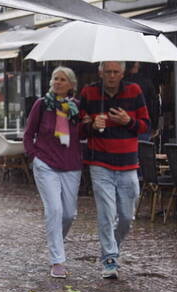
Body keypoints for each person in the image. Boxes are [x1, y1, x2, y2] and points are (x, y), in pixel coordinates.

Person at [80, 60, 150, 280]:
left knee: (127, 216)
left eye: (116, 72)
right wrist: (92, 125)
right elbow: (79, 128)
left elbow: (145, 125)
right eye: (107, 71)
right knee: (106, 213)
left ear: (122, 74)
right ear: (100, 73)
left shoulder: (134, 91)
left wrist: (128, 121)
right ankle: (109, 259)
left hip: (128, 163)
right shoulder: (90, 92)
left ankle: (113, 248)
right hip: (100, 163)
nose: (111, 76)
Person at [22, 67, 85, 279]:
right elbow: (29, 133)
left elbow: (85, 134)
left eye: (63, 80)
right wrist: (34, 156)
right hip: (46, 163)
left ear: (71, 85)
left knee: (69, 214)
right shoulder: (41, 105)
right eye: (55, 79)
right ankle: (57, 260)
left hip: (71, 164)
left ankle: (56, 239)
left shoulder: (77, 108)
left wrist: (92, 124)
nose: (57, 82)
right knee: (55, 210)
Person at [125, 61, 160, 141]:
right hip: (143, 122)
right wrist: (155, 125)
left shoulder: (122, 82)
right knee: (143, 150)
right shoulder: (147, 82)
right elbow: (153, 105)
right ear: (137, 64)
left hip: (126, 122)